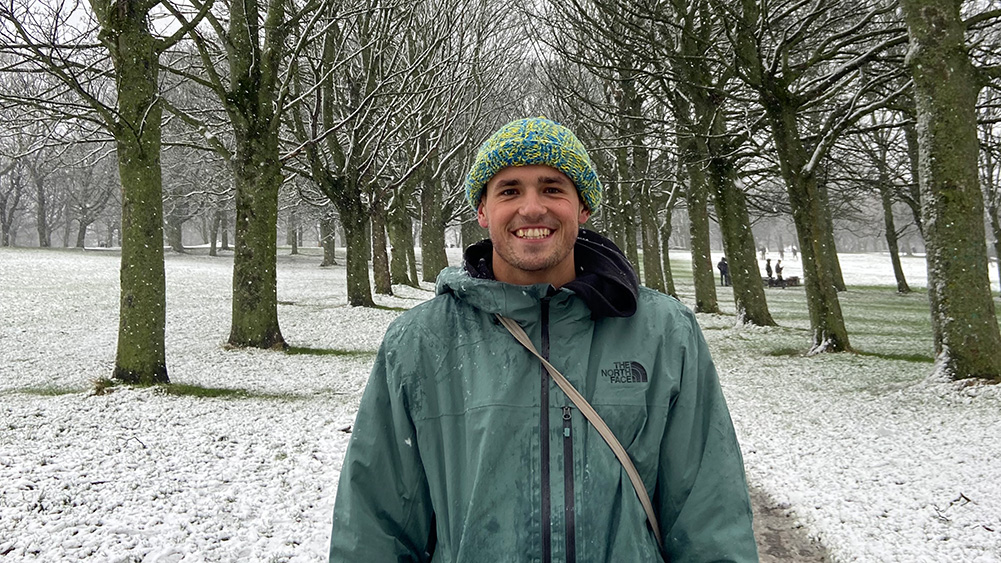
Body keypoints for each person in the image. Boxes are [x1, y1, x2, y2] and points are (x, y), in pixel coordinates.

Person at [328, 117, 758, 562]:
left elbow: (710, 514)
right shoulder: (419, 343)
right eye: (509, 190)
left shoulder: (665, 333)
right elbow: (376, 525)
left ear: (583, 208)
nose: (532, 209)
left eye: (552, 188)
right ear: (482, 211)